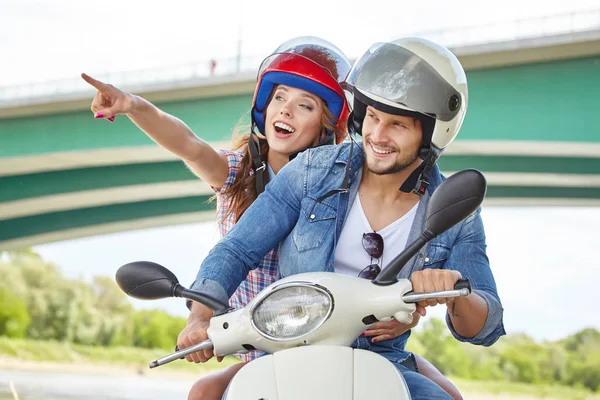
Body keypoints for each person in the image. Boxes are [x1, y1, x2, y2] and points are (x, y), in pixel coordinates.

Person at [82, 36, 461, 400]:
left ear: (330, 125)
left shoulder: (345, 185)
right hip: (257, 338)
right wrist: (134, 105)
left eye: (305, 105)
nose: (285, 110)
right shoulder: (237, 173)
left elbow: (370, 264)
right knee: (203, 392)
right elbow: (190, 146)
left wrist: (408, 311)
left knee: (447, 394)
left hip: (338, 335)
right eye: (279, 97)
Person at [183, 37, 505, 400]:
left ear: (430, 133)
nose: (377, 136)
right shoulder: (310, 172)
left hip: (383, 363)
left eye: (397, 125)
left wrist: (455, 291)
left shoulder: (455, 212)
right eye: (372, 117)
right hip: (290, 351)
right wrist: (200, 317)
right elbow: (237, 249)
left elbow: (485, 323)